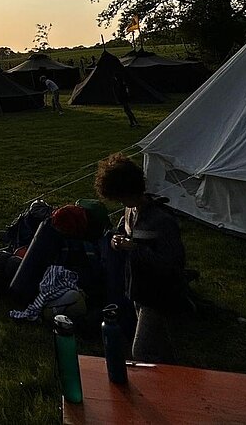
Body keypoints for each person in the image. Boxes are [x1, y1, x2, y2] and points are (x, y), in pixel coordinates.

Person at [95, 153, 186, 363]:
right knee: (159, 343)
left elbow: (172, 263)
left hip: (159, 294)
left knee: (142, 351)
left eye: (120, 197)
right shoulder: (129, 211)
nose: (120, 202)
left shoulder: (161, 220)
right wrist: (116, 242)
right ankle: (173, 372)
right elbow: (122, 232)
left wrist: (134, 248)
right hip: (138, 288)